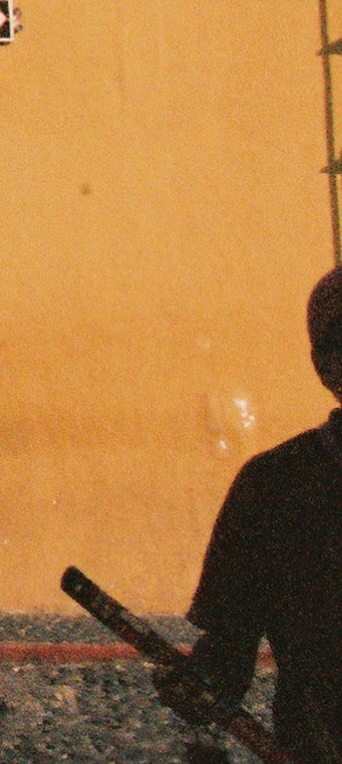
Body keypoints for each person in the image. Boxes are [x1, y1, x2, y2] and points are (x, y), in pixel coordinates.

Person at [181, 271, 342, 763]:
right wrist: (195, 686)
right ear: (324, 365)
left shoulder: (273, 482)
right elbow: (226, 658)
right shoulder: (272, 486)